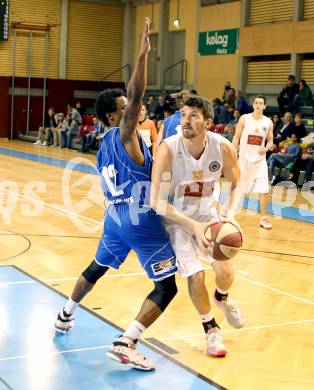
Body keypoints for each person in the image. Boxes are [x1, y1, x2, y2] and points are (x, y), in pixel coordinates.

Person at [54, 18, 178, 371]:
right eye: (127, 107)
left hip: (114, 218)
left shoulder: (104, 144)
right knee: (166, 287)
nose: (136, 108)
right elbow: (138, 93)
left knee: (97, 267)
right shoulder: (125, 135)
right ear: (114, 115)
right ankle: (127, 341)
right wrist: (143, 54)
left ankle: (65, 314)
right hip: (140, 221)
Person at [151, 95, 244, 357]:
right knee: (196, 275)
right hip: (177, 220)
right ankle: (211, 329)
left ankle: (222, 297)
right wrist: (191, 226)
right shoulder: (168, 149)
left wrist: (230, 214)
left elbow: (237, 183)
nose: (186, 120)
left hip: (208, 215)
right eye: (183, 115)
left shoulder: (222, 147)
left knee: (225, 271)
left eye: (193, 115)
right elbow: (155, 201)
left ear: (208, 122)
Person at [232, 95, 274, 229]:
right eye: (256, 103)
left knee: (264, 190)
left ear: (264, 106)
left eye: (261, 103)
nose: (258, 105)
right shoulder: (245, 118)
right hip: (243, 160)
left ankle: (264, 218)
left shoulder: (268, 122)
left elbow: (271, 141)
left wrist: (266, 148)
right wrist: (233, 154)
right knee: (238, 188)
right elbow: (236, 137)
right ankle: (229, 214)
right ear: (253, 105)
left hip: (259, 161)